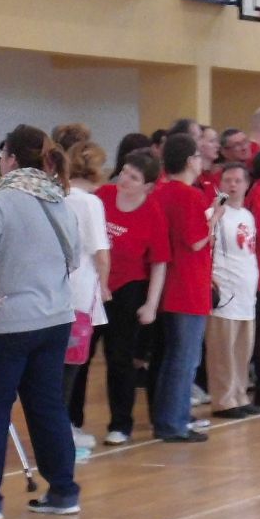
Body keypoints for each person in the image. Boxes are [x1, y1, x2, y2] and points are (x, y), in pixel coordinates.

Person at [0, 126, 81, 519]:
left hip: (4, 323)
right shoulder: (58, 199)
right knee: (47, 407)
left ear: (9, 159)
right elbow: (74, 258)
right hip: (54, 318)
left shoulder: (1, 201)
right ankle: (63, 492)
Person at [96, 150, 168, 444]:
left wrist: (151, 304)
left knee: (119, 357)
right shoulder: (102, 196)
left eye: (134, 177)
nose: (124, 179)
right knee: (80, 356)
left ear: (147, 186)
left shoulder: (152, 212)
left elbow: (159, 262)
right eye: (124, 172)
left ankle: (120, 424)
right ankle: (72, 422)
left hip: (128, 289)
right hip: (93, 285)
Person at [152, 132, 217, 442]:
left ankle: (170, 416)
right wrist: (214, 219)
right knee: (185, 358)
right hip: (188, 283)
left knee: (174, 357)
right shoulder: (189, 196)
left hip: (170, 283)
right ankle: (173, 422)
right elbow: (196, 240)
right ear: (191, 160)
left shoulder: (161, 191)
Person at [63, 141, 111, 447]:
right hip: (80, 293)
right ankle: (62, 430)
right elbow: (101, 253)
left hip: (53, 291)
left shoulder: (58, 195)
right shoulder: (90, 203)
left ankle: (59, 427)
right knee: (71, 366)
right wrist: (104, 286)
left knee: (58, 366)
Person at [207, 161, 259, 419]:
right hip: (225, 290)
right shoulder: (214, 214)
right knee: (223, 350)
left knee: (242, 349)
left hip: (246, 292)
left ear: (247, 185)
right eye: (228, 180)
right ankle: (223, 399)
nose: (233, 185)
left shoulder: (248, 216)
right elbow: (206, 246)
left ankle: (240, 393)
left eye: (238, 181)